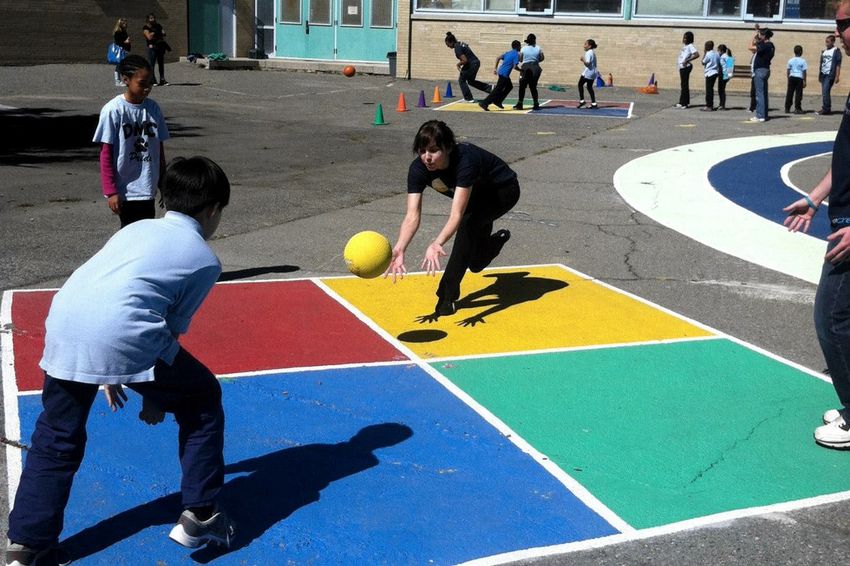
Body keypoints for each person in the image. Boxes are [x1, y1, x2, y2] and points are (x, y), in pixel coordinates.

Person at [5, 156, 235, 565]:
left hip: (65, 323)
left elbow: (111, 291)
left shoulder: (138, 228)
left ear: (166, 198)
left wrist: (120, 376)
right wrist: (153, 394)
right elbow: (169, 330)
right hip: (124, 335)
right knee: (202, 400)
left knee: (57, 437)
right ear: (213, 209)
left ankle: (26, 546)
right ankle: (200, 515)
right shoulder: (204, 259)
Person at [782, 0, 850, 450]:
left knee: (834, 319)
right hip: (839, 218)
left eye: (849, 22)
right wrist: (814, 197)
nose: (843, 31)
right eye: (840, 23)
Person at [386, 120, 520, 317]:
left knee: (468, 224)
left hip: (502, 192)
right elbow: (412, 215)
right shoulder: (418, 169)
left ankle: (446, 297)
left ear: (448, 147)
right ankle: (494, 243)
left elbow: (456, 215)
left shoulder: (466, 161)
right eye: (422, 151)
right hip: (475, 196)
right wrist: (400, 247)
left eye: (433, 150)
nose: (427, 157)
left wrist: (437, 243)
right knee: (475, 263)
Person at [94, 54, 170, 228]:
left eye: (150, 83)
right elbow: (105, 154)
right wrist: (111, 191)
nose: (147, 88)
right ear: (126, 79)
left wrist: (162, 183)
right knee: (130, 234)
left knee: (146, 234)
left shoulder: (153, 108)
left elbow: (159, 148)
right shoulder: (114, 110)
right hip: (126, 191)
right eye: (142, 83)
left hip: (147, 187)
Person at [445, 32, 492, 103]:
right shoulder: (460, 43)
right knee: (471, 81)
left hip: (471, 64)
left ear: (451, 42)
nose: (447, 46)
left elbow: (465, 60)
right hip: (476, 62)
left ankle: (469, 98)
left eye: (447, 44)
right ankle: (490, 88)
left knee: (461, 80)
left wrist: (458, 64)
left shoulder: (457, 48)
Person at [479, 40, 521, 111]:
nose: (521, 47)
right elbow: (515, 67)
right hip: (504, 74)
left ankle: (498, 101)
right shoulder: (516, 54)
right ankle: (484, 103)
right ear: (517, 46)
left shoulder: (508, 53)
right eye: (520, 45)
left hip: (501, 72)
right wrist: (521, 71)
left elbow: (498, 58)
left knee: (509, 86)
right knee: (497, 90)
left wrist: (495, 68)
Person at [748, 26, 774, 122]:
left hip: (760, 70)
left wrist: (754, 35)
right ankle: (764, 115)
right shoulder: (770, 45)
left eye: (761, 34)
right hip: (766, 69)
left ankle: (760, 116)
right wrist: (758, 33)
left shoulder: (765, 45)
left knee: (759, 94)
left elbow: (750, 46)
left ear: (764, 36)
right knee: (763, 93)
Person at [513, 33, 544, 111]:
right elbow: (542, 58)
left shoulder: (523, 48)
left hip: (525, 67)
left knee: (522, 87)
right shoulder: (538, 48)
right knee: (533, 87)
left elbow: (520, 59)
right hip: (535, 67)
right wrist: (535, 60)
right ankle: (536, 104)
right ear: (534, 40)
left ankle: (520, 103)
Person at [143, 12, 170, 86]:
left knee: (161, 64)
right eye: (151, 18)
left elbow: (164, 33)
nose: (153, 19)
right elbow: (149, 37)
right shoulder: (146, 27)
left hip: (160, 46)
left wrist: (154, 33)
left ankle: (162, 80)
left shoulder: (158, 25)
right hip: (152, 47)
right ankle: (153, 80)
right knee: (152, 64)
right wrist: (155, 33)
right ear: (148, 19)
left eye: (153, 18)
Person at [818, 34, 842, 115]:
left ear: (833, 42)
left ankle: (826, 109)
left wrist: (837, 76)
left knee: (825, 91)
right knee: (825, 92)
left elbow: (838, 64)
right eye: (826, 42)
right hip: (823, 75)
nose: (826, 43)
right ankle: (825, 108)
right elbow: (821, 64)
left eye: (828, 42)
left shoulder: (836, 51)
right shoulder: (824, 52)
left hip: (830, 75)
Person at [676, 31, 700, 108]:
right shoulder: (685, 46)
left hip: (686, 67)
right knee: (683, 85)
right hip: (682, 67)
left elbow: (697, 54)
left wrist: (687, 60)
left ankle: (685, 103)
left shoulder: (690, 46)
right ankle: (681, 102)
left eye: (685, 38)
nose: (684, 39)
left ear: (689, 39)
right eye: (684, 37)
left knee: (685, 85)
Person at [785, 45, 807, 114]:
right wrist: (804, 80)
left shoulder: (790, 60)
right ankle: (797, 108)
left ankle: (787, 108)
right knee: (798, 94)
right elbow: (804, 72)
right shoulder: (803, 61)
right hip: (799, 78)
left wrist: (788, 78)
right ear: (801, 52)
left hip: (792, 77)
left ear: (794, 52)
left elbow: (788, 71)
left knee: (789, 93)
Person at [577, 39, 599, 109]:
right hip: (593, 72)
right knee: (589, 87)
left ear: (589, 46)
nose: (584, 46)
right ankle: (594, 103)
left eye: (585, 44)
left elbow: (588, 63)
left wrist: (583, 60)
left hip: (588, 73)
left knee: (580, 84)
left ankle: (582, 101)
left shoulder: (589, 53)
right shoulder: (592, 52)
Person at [701, 40, 721, 111]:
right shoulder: (716, 54)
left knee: (708, 90)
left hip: (709, 73)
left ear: (707, 46)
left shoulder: (708, 54)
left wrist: (704, 53)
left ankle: (709, 105)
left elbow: (703, 62)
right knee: (711, 89)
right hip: (715, 72)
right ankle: (710, 105)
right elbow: (719, 62)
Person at [112, 17, 131, 86]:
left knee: (121, 66)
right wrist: (125, 41)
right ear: (120, 24)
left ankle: (122, 80)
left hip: (125, 50)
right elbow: (118, 42)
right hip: (121, 50)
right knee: (119, 66)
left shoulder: (124, 31)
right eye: (124, 23)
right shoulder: (118, 32)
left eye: (126, 23)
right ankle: (117, 81)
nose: (125, 24)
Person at [718, 44, 733, 110]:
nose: (718, 52)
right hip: (722, 74)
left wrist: (729, 76)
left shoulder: (725, 56)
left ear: (721, 50)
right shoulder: (723, 56)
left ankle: (722, 105)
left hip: (724, 75)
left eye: (718, 50)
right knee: (720, 90)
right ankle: (721, 104)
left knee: (721, 90)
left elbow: (730, 63)